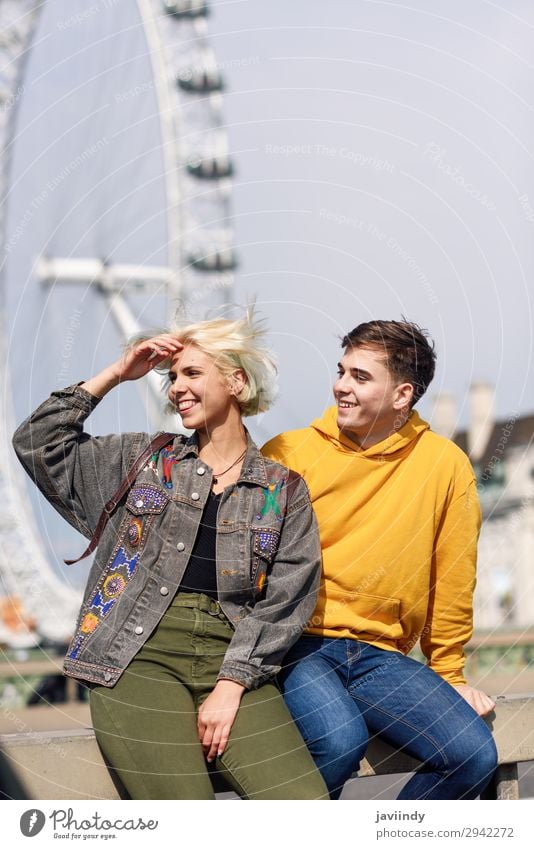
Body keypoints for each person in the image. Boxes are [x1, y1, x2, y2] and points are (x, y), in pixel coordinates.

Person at [13, 311, 327, 800]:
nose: (176, 387)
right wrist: (118, 372)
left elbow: (290, 596)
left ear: (237, 382)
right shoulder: (141, 461)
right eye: (172, 377)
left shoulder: (281, 490)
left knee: (305, 807)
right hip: (134, 657)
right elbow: (38, 440)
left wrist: (232, 683)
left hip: (235, 660)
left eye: (192, 373)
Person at [262, 319, 498, 800]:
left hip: (381, 657)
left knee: (474, 755)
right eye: (342, 371)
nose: (341, 386)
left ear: (402, 394)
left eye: (360, 377)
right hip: (298, 645)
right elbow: (250, 557)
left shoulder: (446, 466)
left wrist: (449, 673)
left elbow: (453, 578)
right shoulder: (287, 453)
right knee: (340, 741)